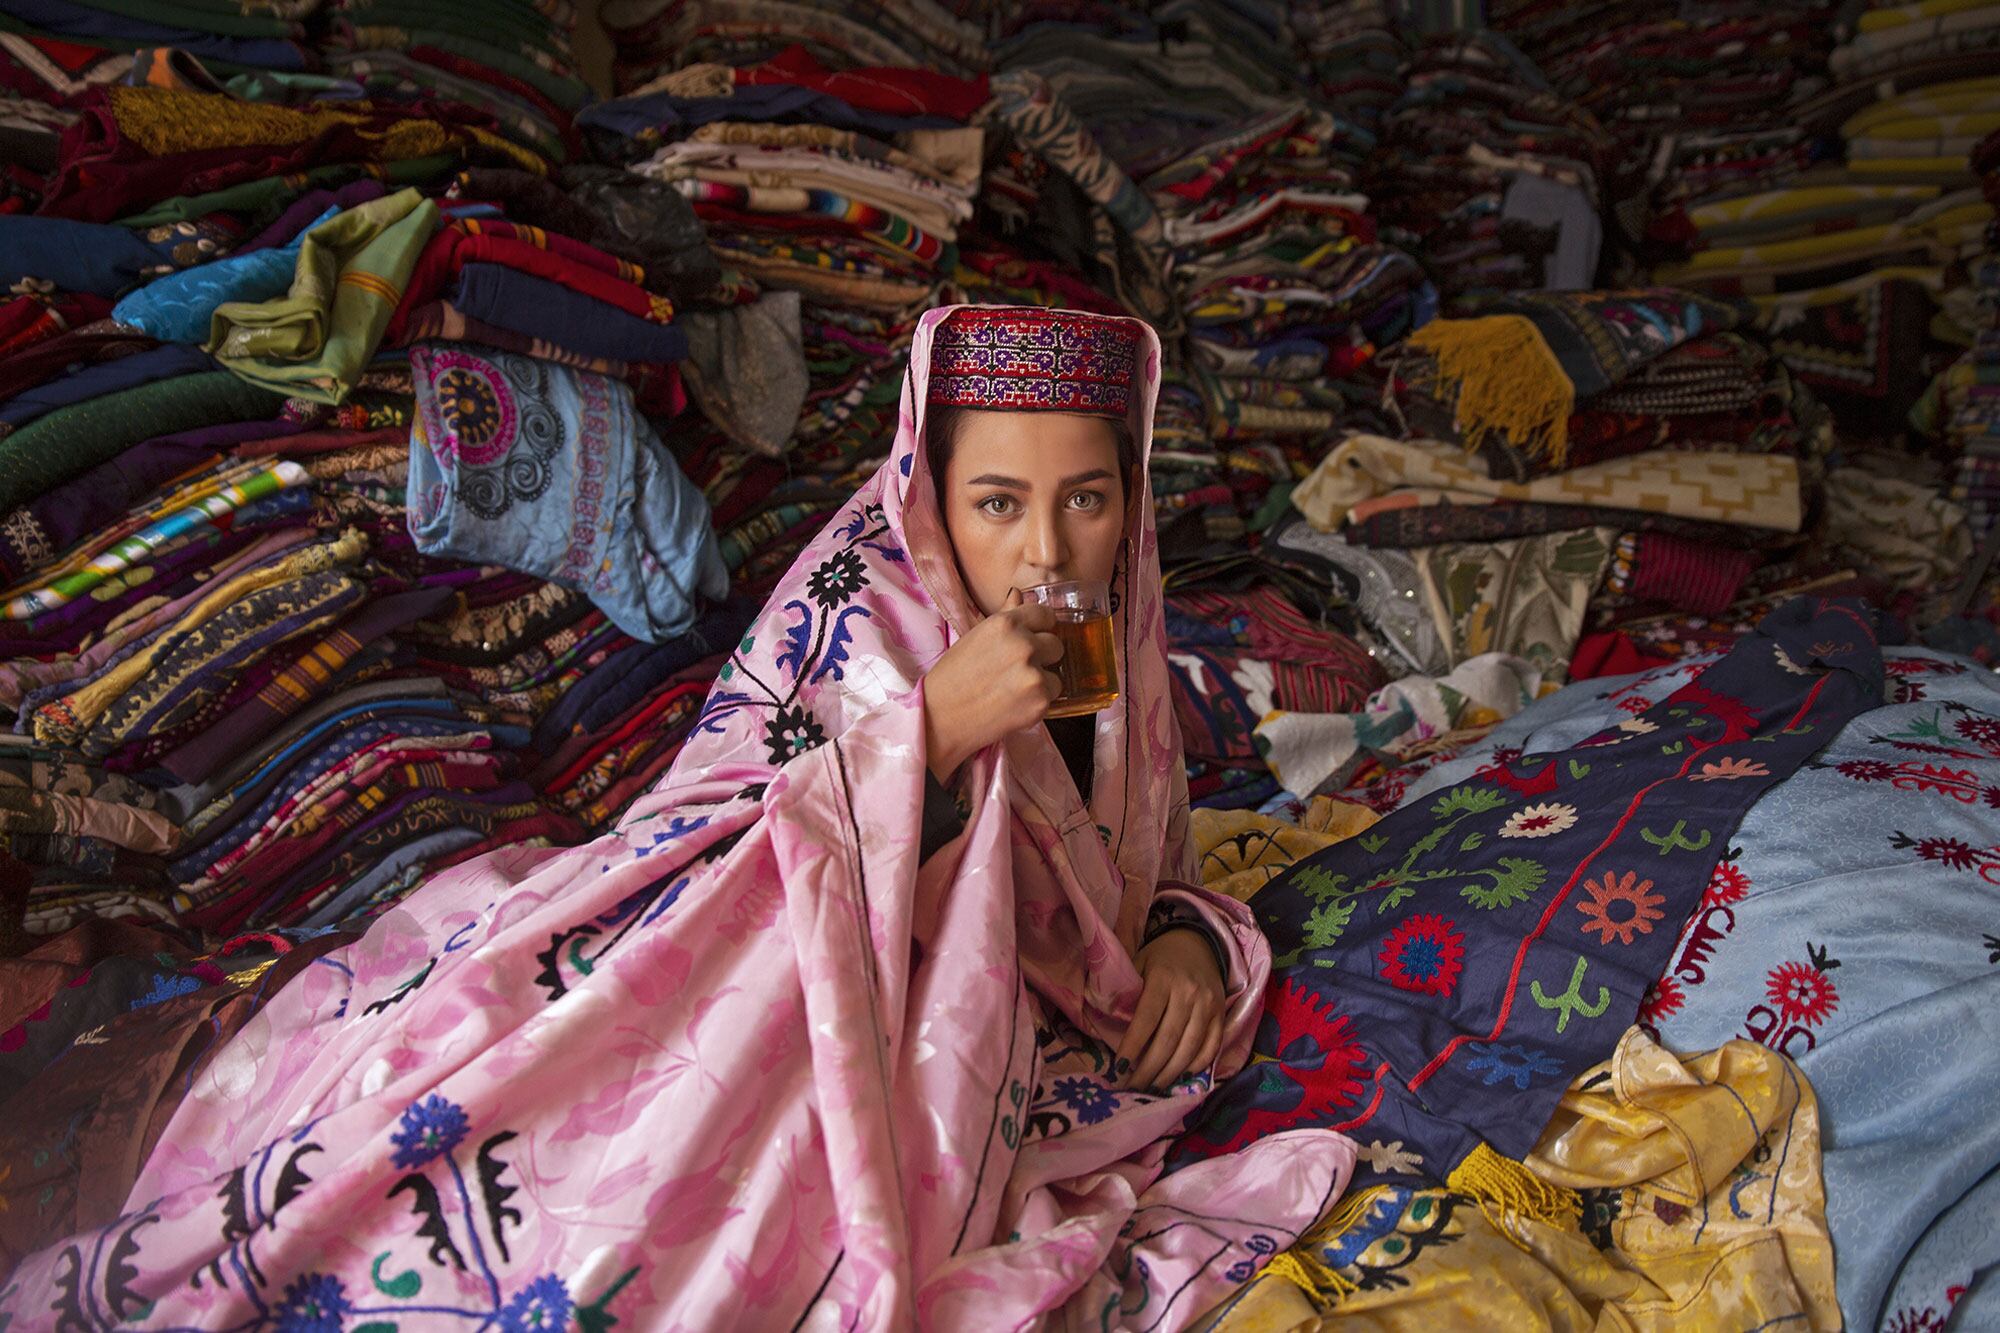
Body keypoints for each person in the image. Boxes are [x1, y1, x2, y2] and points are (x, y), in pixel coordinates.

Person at [1, 306, 1353, 1330]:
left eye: (1088, 501)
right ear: (930, 492)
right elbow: (713, 839)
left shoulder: (1119, 644)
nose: (1048, 553)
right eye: (998, 502)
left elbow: (1133, 872)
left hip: (974, 1027)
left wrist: (1176, 933)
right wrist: (933, 727)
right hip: (760, 1006)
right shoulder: (860, 608)